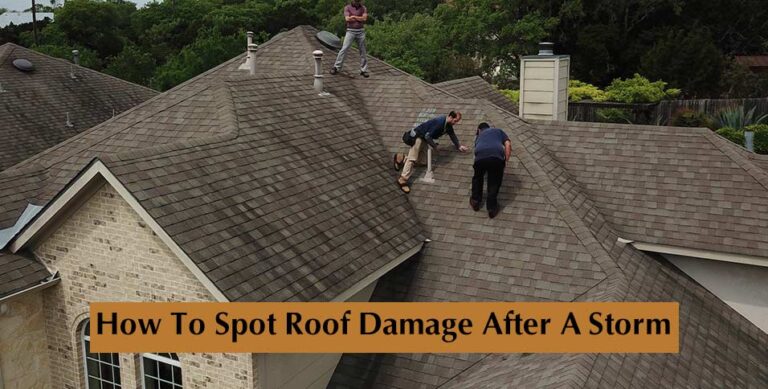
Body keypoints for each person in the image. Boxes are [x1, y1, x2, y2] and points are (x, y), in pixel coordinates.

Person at [394, 111, 469, 193]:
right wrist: (435, 146)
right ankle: (403, 179)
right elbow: (427, 136)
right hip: (418, 137)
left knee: (423, 162)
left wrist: (459, 146)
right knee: (412, 158)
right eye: (455, 121)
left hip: (424, 140)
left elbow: (452, 135)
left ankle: (402, 158)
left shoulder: (448, 126)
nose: (455, 123)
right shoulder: (440, 122)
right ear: (450, 117)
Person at [470, 122, 511, 218]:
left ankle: (475, 201)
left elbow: (476, 153)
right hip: (496, 158)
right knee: (494, 182)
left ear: (479, 130)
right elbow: (508, 144)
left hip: (480, 158)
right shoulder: (498, 131)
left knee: (477, 178)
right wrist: (506, 160)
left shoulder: (478, 137)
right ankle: (491, 209)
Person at [330, 0, 369, 78]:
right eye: (356, 1)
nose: (357, 2)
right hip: (350, 31)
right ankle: (336, 67)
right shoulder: (347, 7)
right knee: (344, 49)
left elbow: (364, 19)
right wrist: (359, 18)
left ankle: (364, 70)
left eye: (358, 1)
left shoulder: (363, 8)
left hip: (360, 31)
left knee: (363, 51)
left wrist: (354, 17)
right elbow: (347, 19)